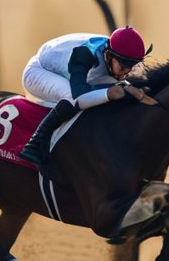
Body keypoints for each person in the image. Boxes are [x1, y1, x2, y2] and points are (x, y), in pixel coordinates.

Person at [18, 26, 154, 166]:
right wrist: (110, 93)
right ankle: (35, 144)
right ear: (110, 56)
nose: (126, 72)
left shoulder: (117, 56)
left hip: (66, 73)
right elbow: (79, 94)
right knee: (71, 97)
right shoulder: (85, 53)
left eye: (131, 67)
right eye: (123, 67)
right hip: (38, 71)